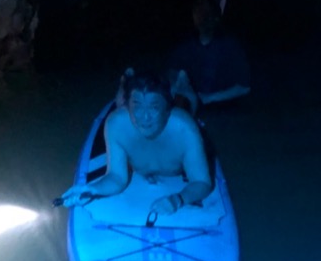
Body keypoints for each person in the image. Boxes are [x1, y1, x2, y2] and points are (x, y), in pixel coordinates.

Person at [58, 72, 213, 218]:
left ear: (166, 108)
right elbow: (117, 177)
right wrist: (93, 189)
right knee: (119, 103)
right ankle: (125, 79)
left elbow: (202, 181)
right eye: (137, 106)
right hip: (125, 111)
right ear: (129, 106)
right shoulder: (116, 123)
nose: (145, 117)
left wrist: (179, 199)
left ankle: (182, 80)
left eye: (154, 108)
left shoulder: (184, 128)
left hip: (179, 115)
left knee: (188, 102)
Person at [167, 0, 251, 115]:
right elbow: (172, 72)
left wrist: (210, 98)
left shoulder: (231, 47)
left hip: (225, 111)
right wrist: (177, 85)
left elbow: (244, 87)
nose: (202, 16)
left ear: (216, 17)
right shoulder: (185, 45)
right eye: (198, 11)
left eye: (207, 12)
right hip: (190, 106)